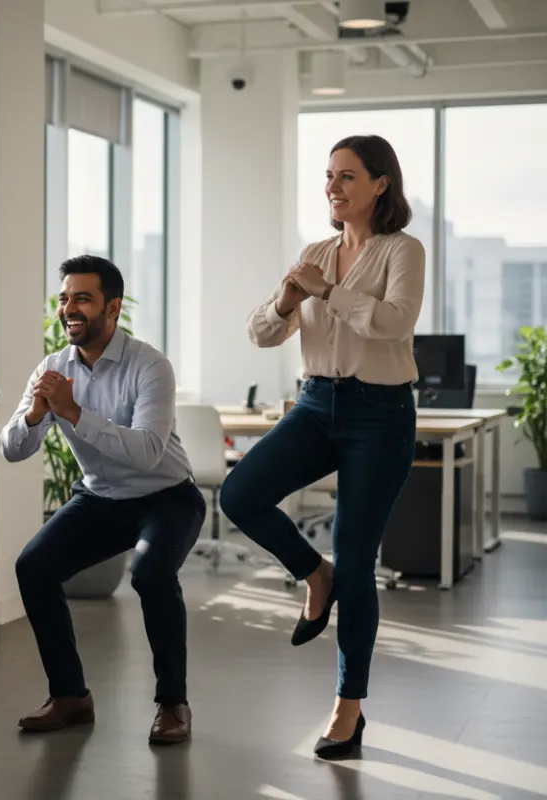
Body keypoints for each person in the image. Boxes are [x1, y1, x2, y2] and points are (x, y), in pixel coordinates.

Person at [220, 134, 424, 760]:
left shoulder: (402, 250)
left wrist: (326, 292)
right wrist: (288, 296)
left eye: (347, 176)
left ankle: (347, 708)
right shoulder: (313, 253)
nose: (333, 187)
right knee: (239, 493)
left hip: (379, 414)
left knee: (359, 563)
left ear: (380, 183)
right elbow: (262, 333)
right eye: (328, 176)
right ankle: (314, 574)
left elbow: (394, 322)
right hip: (314, 404)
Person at [0, 255, 207, 742]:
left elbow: (149, 454)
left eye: (83, 299)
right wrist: (34, 414)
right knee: (33, 567)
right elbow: (12, 450)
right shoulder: (52, 367)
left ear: (112, 308)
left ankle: (173, 703)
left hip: (167, 497)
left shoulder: (150, 365)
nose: (70, 308)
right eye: (64, 299)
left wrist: (72, 412)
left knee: (152, 575)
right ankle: (70, 696)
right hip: (98, 499)